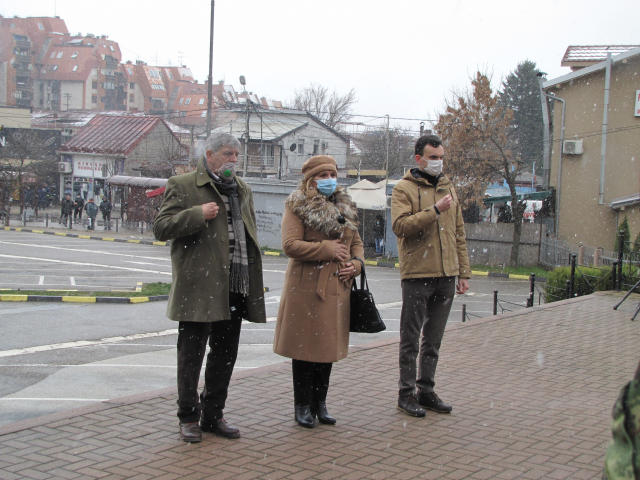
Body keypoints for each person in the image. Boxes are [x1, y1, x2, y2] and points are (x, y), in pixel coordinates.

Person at [154, 132, 266, 443]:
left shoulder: (242, 189)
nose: (233, 161)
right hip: (199, 285)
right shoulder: (185, 184)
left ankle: (213, 414)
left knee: (225, 353)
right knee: (191, 355)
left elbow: (249, 232)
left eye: (236, 155)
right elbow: (161, 228)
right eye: (227, 154)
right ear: (211, 155)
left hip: (234, 284)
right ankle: (188, 416)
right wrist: (196, 214)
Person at [273, 155, 364, 428]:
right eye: (323, 176)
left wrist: (356, 265)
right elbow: (290, 245)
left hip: (337, 285)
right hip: (306, 286)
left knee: (327, 349)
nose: (329, 180)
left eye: (332, 175)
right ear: (310, 179)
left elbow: (356, 242)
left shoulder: (344, 206)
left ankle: (320, 404)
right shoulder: (297, 204)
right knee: (304, 350)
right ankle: (302, 406)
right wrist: (327, 249)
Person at [391, 134, 471, 417]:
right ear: (419, 159)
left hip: (447, 275)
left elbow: (458, 232)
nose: (438, 163)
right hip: (417, 274)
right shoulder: (403, 188)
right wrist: (434, 210)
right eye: (433, 157)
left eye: (441, 157)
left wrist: (463, 272)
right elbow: (401, 226)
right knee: (410, 339)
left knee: (433, 339)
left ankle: (426, 391)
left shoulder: (449, 188)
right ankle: (406, 394)